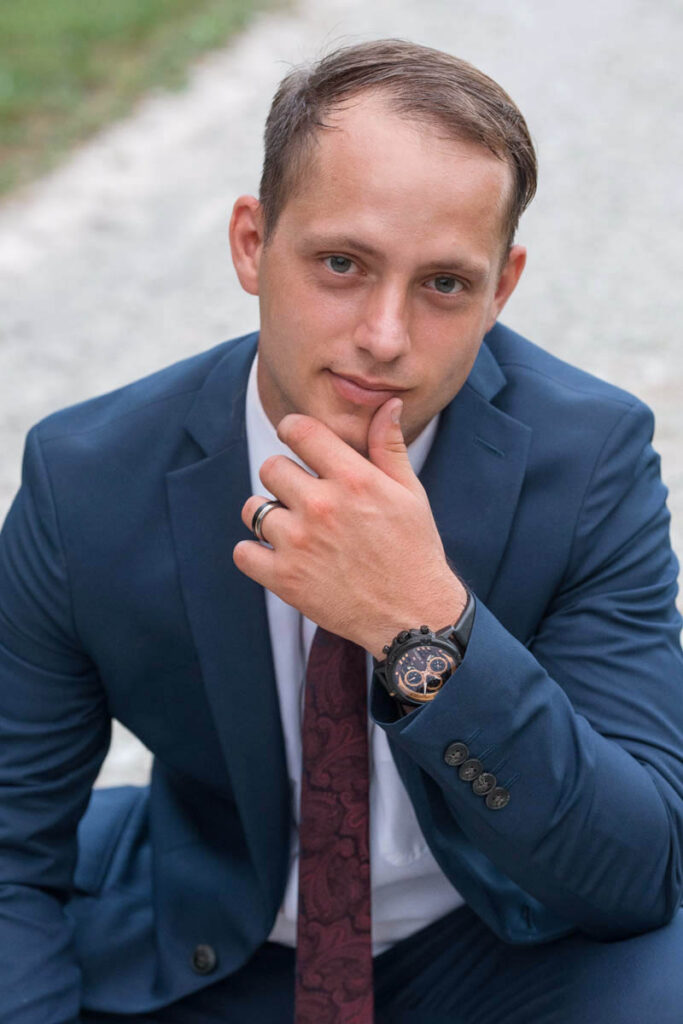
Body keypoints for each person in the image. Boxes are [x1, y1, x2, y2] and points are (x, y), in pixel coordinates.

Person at [1, 37, 682, 1024]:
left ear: (501, 287)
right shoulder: (87, 478)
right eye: (340, 263)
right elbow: (11, 853)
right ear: (250, 242)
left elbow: (635, 870)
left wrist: (425, 627)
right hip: (213, 944)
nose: (383, 336)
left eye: (444, 284)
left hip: (494, 942)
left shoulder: (589, 459)